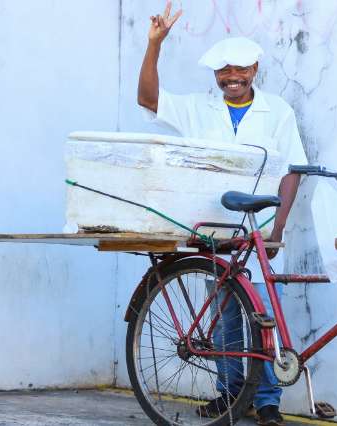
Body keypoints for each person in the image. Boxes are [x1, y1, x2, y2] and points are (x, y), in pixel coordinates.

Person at [137, 3, 308, 426]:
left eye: (240, 70)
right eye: (223, 71)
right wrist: (154, 45)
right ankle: (231, 395)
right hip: (213, 228)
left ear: (254, 69)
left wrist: (279, 227)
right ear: (215, 75)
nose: (232, 77)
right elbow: (147, 98)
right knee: (224, 319)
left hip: (261, 233)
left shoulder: (279, 112)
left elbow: (291, 172)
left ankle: (266, 400)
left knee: (264, 315)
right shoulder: (198, 109)